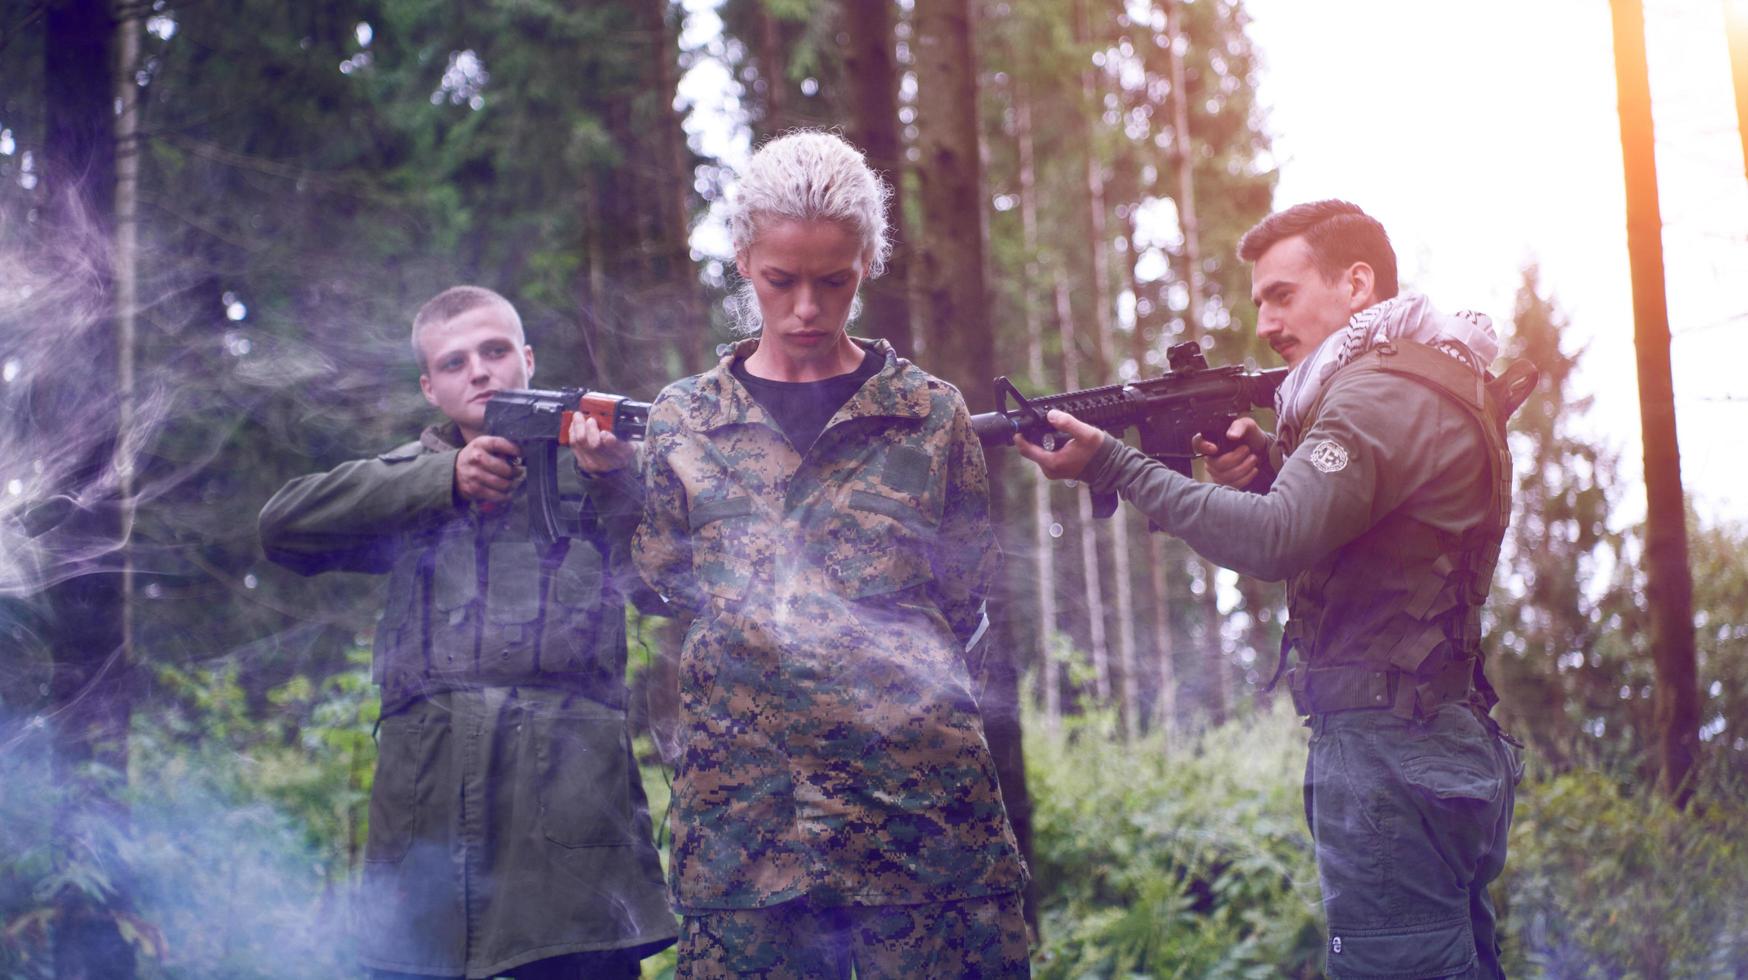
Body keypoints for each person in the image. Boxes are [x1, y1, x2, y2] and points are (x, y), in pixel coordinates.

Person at [1013, 200, 1526, 978]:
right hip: (1433, 741)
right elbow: (1372, 545)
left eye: (1282, 294)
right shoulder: (1419, 378)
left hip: (1393, 758)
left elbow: (1272, 538)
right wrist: (1283, 469)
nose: (1265, 323)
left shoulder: (1376, 396)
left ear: (1358, 285)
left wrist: (1112, 465)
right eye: (1259, 301)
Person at [633, 131, 1031, 979]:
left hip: (922, 839)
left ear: (866, 264)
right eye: (782, 280)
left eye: (833, 281)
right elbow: (663, 578)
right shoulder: (683, 421)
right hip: (748, 847)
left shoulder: (929, 415)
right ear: (744, 260)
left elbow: (965, 601)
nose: (806, 308)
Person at [258, 286, 677, 979]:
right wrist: (441, 480)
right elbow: (281, 527)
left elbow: (672, 587)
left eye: (494, 351)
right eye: (454, 362)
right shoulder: (404, 482)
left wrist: (615, 486)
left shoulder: (596, 473)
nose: (478, 371)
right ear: (429, 387)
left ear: (528, 359)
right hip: (426, 839)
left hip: (571, 849)